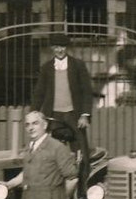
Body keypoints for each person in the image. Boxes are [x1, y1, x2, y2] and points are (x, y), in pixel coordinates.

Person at [29, 33, 98, 164]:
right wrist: (34, 113)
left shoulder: (78, 65)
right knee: (51, 152)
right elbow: (39, 93)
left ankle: (82, 183)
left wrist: (84, 115)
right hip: (53, 116)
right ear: (52, 48)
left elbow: (86, 91)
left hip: (75, 115)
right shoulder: (46, 68)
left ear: (67, 47)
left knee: (81, 152)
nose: (59, 50)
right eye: (56, 47)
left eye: (62, 47)